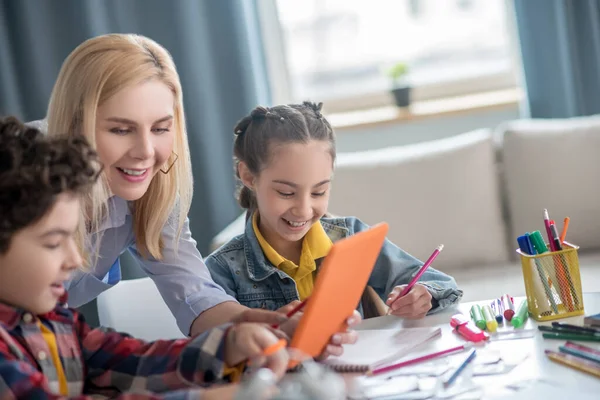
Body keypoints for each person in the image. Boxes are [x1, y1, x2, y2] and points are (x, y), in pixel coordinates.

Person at [41, 34, 356, 354]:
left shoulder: (152, 189)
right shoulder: (21, 176)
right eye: (121, 130)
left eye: (161, 128)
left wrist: (264, 325)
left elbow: (194, 294)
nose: (146, 152)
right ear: (75, 122)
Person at [0, 116, 288, 399]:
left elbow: (127, 361)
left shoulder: (54, 320)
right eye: (53, 243)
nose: (76, 260)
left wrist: (226, 347)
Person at [205, 102, 463, 319]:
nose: (304, 209)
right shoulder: (222, 269)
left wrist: (422, 294)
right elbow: (214, 352)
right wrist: (271, 328)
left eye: (318, 192)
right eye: (286, 193)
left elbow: (442, 284)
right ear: (249, 176)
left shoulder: (351, 237)